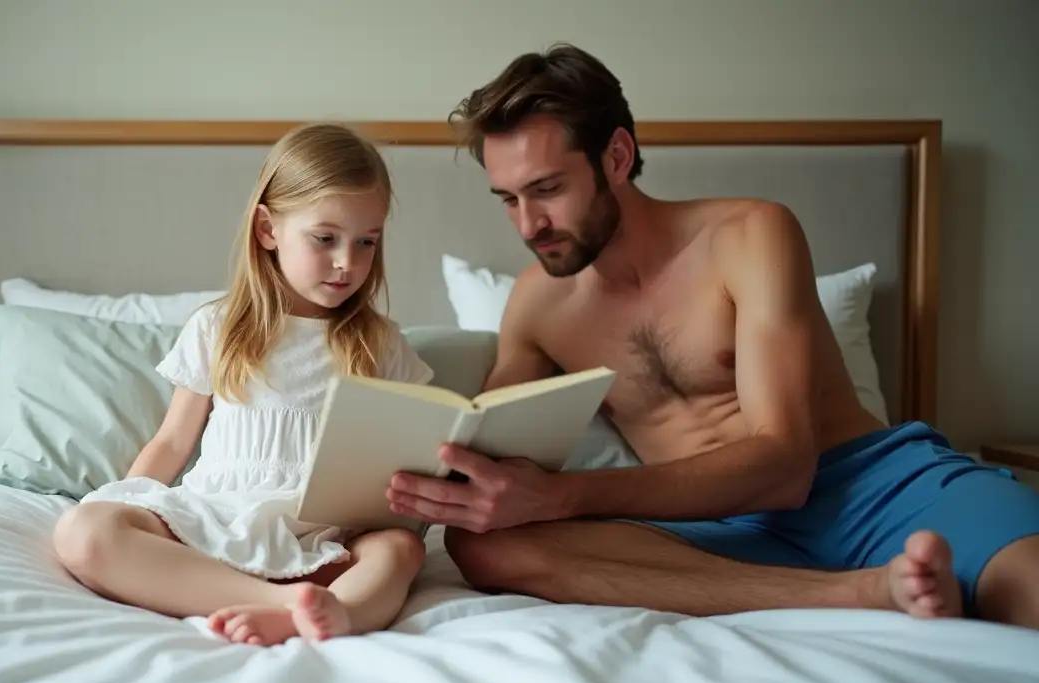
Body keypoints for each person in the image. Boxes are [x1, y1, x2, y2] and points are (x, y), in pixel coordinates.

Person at [386, 43, 1039, 629]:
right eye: (507, 198)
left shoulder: (750, 236)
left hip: (872, 487)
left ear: (616, 156)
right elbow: (492, 445)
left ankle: (870, 579)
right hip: (711, 531)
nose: (528, 224)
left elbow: (786, 464)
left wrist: (561, 496)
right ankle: (854, 594)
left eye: (547, 190)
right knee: (483, 545)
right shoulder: (537, 302)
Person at [53, 123, 434, 646]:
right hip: (213, 523)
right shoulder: (218, 326)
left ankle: (335, 611)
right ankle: (288, 607)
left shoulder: (381, 344)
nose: (348, 262)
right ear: (267, 230)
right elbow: (172, 441)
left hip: (319, 544)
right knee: (84, 530)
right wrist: (122, 503)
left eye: (367, 241)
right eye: (325, 239)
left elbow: (402, 460)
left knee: (401, 551)